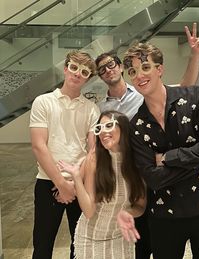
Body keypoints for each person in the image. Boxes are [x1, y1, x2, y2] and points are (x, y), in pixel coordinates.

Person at [95, 23, 199, 259]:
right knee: (133, 222)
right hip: (125, 169)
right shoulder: (101, 108)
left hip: (153, 165)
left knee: (150, 225)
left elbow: (186, 86)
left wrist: (195, 55)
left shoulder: (146, 90)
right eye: (101, 69)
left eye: (111, 65)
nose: (108, 70)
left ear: (120, 68)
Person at [118, 41, 199, 259]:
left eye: (145, 67)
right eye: (133, 71)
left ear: (159, 69)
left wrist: (170, 157)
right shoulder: (137, 126)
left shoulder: (198, 98)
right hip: (164, 217)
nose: (139, 75)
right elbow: (153, 179)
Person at [29, 50, 100, 259]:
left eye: (84, 71)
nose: (78, 74)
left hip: (80, 183)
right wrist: (61, 183)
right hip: (47, 181)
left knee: (79, 245)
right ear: (65, 68)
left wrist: (76, 182)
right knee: (42, 244)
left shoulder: (92, 109)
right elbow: (39, 146)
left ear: (88, 78)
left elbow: (93, 150)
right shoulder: (43, 102)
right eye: (74, 67)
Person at [57, 110, 146, 259]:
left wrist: (128, 213)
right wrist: (77, 177)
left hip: (121, 238)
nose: (103, 132)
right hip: (90, 238)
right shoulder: (94, 159)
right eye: (99, 128)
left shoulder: (137, 162)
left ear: (123, 128)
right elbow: (89, 211)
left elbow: (140, 206)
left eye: (109, 125)